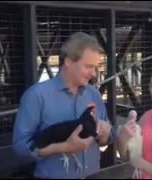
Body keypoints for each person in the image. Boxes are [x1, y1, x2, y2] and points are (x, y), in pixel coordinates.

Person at [12, 32, 112, 179]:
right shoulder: (36, 96)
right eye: (89, 66)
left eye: (95, 67)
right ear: (69, 61)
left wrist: (106, 134)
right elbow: (20, 147)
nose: (94, 74)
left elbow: (105, 139)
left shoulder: (94, 94)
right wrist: (63, 148)